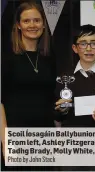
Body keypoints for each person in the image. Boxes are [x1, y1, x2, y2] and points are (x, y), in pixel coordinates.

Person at [54, 24, 95, 171]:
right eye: (83, 43)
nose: (89, 48)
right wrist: (62, 110)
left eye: (94, 43)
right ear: (75, 48)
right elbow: (56, 113)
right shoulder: (64, 76)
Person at [1, 2, 56, 170]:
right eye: (26, 21)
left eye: (37, 20)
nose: (32, 25)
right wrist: (5, 139)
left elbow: (49, 98)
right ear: (18, 25)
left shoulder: (49, 59)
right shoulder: (6, 58)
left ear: (43, 25)